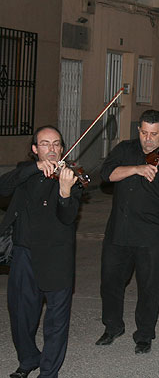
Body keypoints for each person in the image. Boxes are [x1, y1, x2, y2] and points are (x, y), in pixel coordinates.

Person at [96, 110, 159, 354]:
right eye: (144, 133)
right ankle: (112, 326)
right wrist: (136, 168)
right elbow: (106, 174)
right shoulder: (125, 150)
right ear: (139, 131)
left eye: (154, 134)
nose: (148, 139)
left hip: (152, 236)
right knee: (111, 282)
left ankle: (144, 334)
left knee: (149, 288)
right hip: (120, 231)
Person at [1, 126, 82, 378]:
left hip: (56, 257)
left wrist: (66, 191)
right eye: (45, 144)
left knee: (56, 323)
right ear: (35, 150)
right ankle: (28, 360)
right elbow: (3, 187)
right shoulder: (25, 173)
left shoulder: (70, 176)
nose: (52, 149)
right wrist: (34, 169)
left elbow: (68, 218)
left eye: (57, 144)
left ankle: (48, 373)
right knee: (21, 317)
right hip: (24, 254)